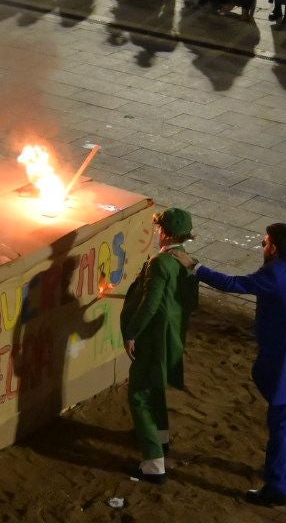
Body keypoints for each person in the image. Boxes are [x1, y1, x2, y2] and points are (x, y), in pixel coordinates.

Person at [173, 223, 286, 507]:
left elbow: (234, 284)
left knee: (282, 425)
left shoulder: (273, 275)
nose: (262, 248)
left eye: (264, 243)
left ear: (272, 247)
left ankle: (276, 487)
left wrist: (195, 266)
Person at [120, 207, 199, 484]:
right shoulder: (188, 262)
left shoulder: (160, 263)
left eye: (158, 228)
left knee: (139, 394)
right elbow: (192, 303)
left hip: (154, 337)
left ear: (164, 232)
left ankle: (153, 464)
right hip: (173, 335)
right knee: (155, 385)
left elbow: (150, 303)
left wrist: (132, 332)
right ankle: (161, 437)